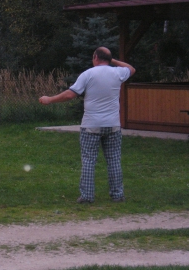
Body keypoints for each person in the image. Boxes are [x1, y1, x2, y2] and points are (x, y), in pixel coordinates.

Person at [39, 47, 136, 204]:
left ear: (96, 57)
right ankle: (117, 195)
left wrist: (50, 99)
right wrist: (112, 60)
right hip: (113, 125)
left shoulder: (88, 74)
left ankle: (87, 196)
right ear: (108, 59)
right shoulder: (118, 73)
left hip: (91, 126)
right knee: (114, 160)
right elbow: (131, 69)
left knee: (89, 160)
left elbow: (71, 94)